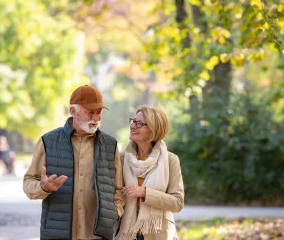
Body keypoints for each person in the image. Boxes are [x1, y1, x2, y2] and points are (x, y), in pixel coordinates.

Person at [23, 85, 123, 240]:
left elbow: (119, 190)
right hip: (57, 235)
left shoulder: (111, 145)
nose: (96, 118)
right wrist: (43, 187)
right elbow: (28, 182)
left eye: (99, 112)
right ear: (73, 112)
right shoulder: (48, 141)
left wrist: (115, 211)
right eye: (90, 112)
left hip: (97, 236)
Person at [115, 105, 184, 240]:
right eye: (133, 121)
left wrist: (144, 192)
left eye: (139, 123)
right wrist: (118, 199)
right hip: (127, 233)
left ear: (153, 130)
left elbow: (177, 203)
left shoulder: (170, 160)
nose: (133, 126)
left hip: (158, 233)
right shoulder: (121, 159)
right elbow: (118, 194)